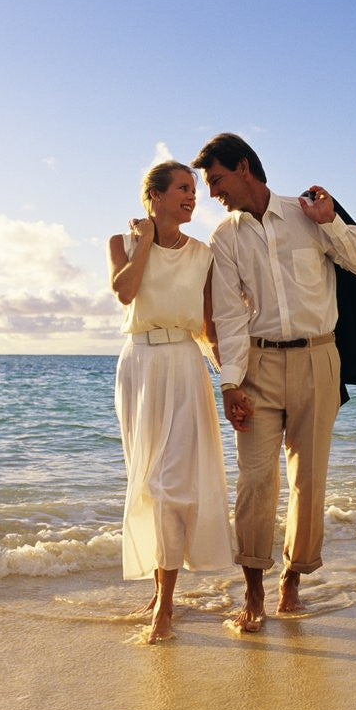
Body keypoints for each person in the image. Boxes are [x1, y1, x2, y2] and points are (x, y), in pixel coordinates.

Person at [192, 134, 356, 632]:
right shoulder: (224, 238)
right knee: (254, 481)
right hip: (259, 365)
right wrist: (230, 383)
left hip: (319, 359)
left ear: (243, 167)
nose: (213, 193)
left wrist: (330, 221)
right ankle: (253, 589)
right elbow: (229, 316)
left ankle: (293, 579)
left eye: (217, 180)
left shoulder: (307, 213)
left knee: (308, 480)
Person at [108, 160, 233, 644]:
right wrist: (143, 243)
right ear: (155, 195)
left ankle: (165, 602)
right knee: (146, 481)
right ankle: (159, 590)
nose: (192, 196)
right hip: (138, 367)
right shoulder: (121, 244)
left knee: (170, 485)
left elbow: (209, 327)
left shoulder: (203, 255)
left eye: (194, 190)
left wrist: (232, 382)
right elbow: (125, 293)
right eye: (183, 188)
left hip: (183, 365)